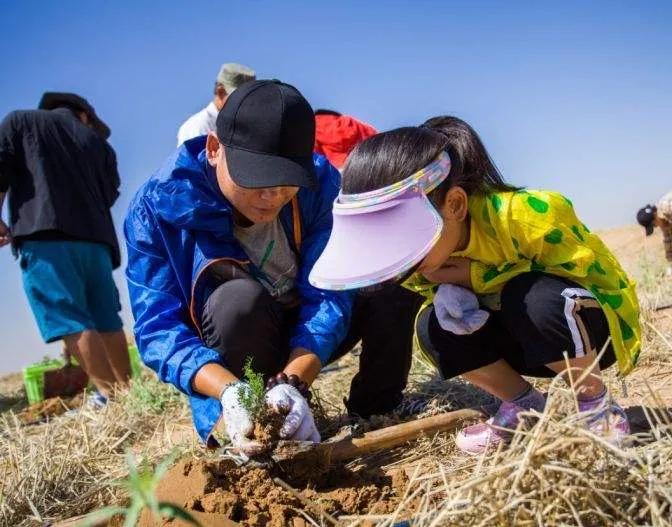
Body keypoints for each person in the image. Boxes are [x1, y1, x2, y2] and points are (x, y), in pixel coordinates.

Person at [310, 116, 642, 453]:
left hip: (590, 336)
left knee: (530, 297)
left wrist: (477, 277)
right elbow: (438, 301)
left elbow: (593, 279)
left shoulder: (527, 215)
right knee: (434, 326)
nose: (402, 259)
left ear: (454, 204)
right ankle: (523, 406)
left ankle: (595, 405)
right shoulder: (417, 264)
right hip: (524, 349)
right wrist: (448, 295)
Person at [126, 80, 422, 452]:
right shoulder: (157, 209)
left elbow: (329, 290)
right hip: (238, 341)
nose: (271, 197)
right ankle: (250, 423)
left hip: (304, 324)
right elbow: (158, 330)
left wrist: (293, 381)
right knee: (236, 301)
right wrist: (230, 392)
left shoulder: (318, 184)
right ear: (215, 149)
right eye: (255, 179)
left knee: (386, 276)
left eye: (286, 183)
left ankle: (376, 408)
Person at [0, 92, 131, 401]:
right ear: (83, 115)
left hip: (46, 238)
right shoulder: (99, 145)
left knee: (70, 319)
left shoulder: (20, 121)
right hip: (96, 244)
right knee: (105, 318)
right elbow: (110, 194)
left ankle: (109, 397)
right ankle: (127, 395)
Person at [176, 63, 256, 146]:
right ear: (221, 92)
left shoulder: (239, 127)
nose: (245, 104)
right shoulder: (198, 126)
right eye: (239, 98)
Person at [313, 109, 377, 170]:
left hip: (334, 171)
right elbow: (377, 143)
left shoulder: (314, 124)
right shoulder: (355, 123)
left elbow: (313, 153)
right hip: (363, 167)